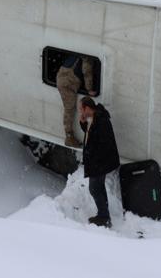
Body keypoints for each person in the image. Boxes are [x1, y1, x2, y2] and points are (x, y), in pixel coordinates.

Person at [79, 96, 120, 228]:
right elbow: (91, 134)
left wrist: (91, 156)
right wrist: (83, 123)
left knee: (94, 188)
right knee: (99, 188)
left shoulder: (101, 121)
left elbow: (101, 142)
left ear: (87, 108)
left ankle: (104, 217)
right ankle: (104, 215)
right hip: (98, 161)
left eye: (81, 109)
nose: (80, 111)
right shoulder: (94, 118)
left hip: (100, 162)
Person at [56, 55, 96, 148]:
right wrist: (89, 88)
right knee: (69, 108)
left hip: (63, 75)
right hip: (69, 81)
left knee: (69, 108)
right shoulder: (86, 54)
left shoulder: (78, 51)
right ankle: (69, 137)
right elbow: (86, 71)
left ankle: (69, 136)